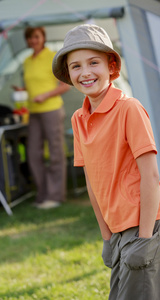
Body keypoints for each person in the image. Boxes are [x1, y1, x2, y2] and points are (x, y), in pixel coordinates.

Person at [52, 24, 160, 299]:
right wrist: (107, 237)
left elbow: (151, 177)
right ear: (68, 75)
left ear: (111, 66)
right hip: (117, 230)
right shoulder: (78, 119)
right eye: (75, 66)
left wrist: (146, 238)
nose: (85, 72)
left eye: (93, 62)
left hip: (143, 225)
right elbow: (92, 181)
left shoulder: (129, 109)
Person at [14, 26, 70, 209]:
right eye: (29, 38)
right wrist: (24, 91)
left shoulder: (52, 57)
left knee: (55, 153)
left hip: (51, 110)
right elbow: (33, 85)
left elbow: (65, 86)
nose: (33, 40)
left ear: (43, 38)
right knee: (33, 153)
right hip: (33, 112)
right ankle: (42, 194)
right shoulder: (27, 61)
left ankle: (55, 196)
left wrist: (44, 96)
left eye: (36, 37)